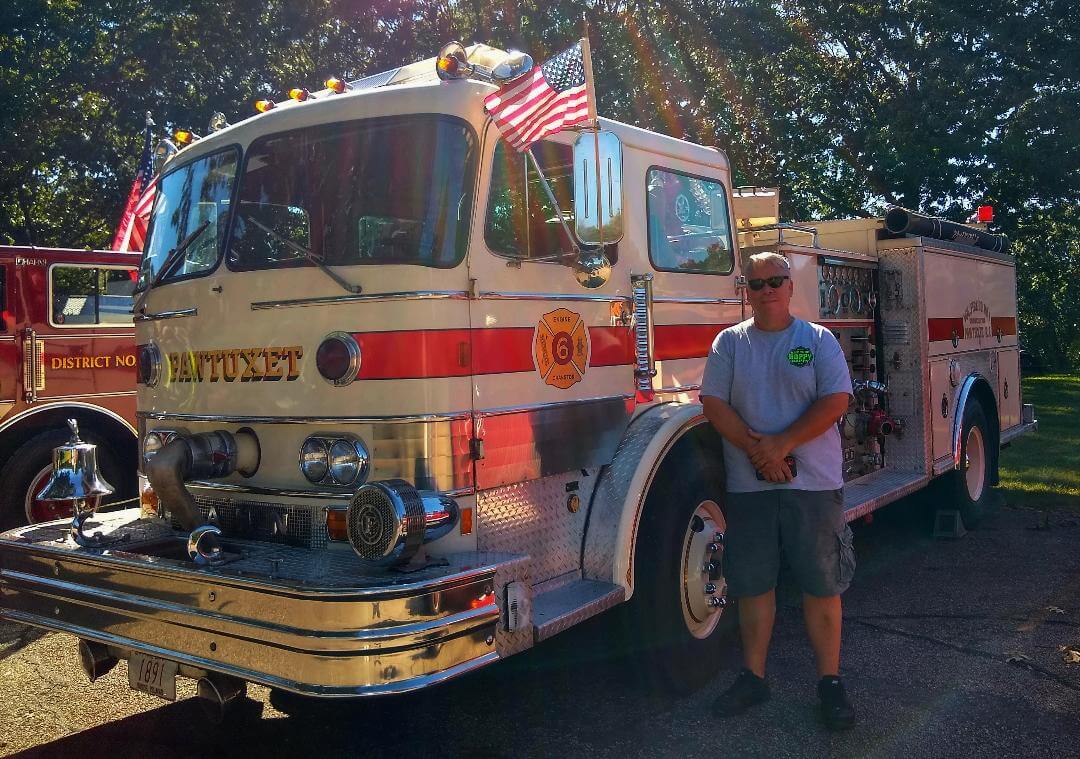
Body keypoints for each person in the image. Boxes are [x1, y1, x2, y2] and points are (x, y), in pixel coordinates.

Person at [699, 251, 856, 730]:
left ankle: (830, 682)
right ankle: (754, 678)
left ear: (791, 287)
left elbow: (836, 400)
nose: (766, 290)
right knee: (753, 585)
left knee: (821, 584)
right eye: (757, 283)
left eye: (775, 281)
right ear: (746, 291)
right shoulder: (728, 344)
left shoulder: (817, 340)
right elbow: (712, 403)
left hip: (814, 485)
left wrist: (783, 444)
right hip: (751, 486)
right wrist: (759, 453)